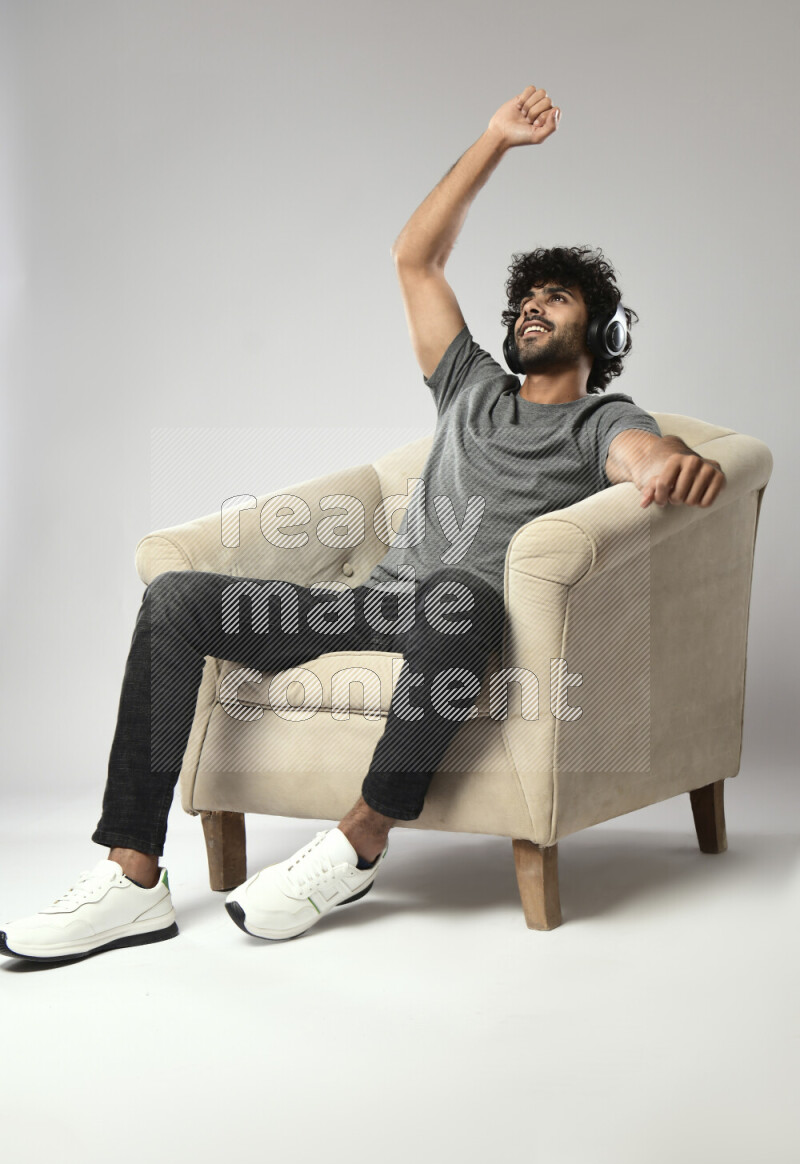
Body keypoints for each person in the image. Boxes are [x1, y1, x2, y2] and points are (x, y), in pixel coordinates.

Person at [0, 85, 725, 963]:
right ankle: (132, 877)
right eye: (527, 297)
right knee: (176, 600)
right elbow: (415, 257)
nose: (534, 306)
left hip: (460, 624)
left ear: (599, 329)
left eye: (559, 297)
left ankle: (358, 843)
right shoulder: (470, 385)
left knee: (458, 595)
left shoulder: (602, 421)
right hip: (371, 608)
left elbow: (641, 458)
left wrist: (674, 463)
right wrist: (494, 139)